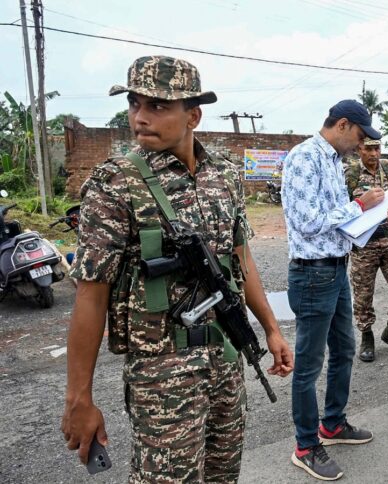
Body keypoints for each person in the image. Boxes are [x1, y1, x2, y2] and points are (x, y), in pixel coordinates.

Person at [60, 56, 295, 483]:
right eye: (135, 103)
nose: (140, 117)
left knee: (224, 475)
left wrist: (271, 329)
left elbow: (239, 260)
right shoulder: (115, 184)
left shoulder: (223, 175)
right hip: (162, 376)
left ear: (193, 116)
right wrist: (79, 398)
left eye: (157, 106)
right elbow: (91, 294)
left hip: (226, 358)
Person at [282, 99, 388, 481]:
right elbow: (306, 223)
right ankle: (305, 445)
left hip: (336, 268)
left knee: (345, 350)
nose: (361, 144)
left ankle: (332, 425)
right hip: (312, 274)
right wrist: (358, 204)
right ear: (342, 124)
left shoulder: (334, 161)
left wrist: (378, 216)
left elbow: (340, 224)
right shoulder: (305, 157)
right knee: (308, 364)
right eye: (360, 135)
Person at [345, 138, 388, 362]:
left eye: (377, 148)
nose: (374, 153)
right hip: (364, 243)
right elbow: (342, 208)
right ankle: (366, 337)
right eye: (369, 149)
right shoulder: (349, 173)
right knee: (363, 294)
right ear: (359, 150)